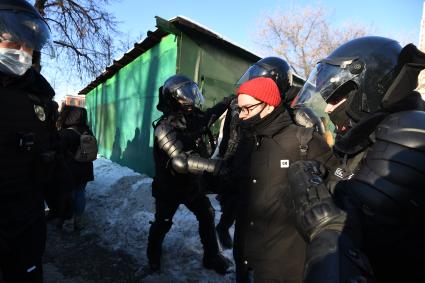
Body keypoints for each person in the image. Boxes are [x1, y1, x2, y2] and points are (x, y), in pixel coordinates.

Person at [287, 36, 425, 282]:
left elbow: (363, 230)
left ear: (370, 87)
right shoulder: (367, 135)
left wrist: (321, 214)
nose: (328, 109)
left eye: (335, 99)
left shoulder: (408, 131)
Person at [231, 76, 330, 282]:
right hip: (247, 258)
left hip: (285, 266)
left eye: (247, 109)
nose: (242, 116)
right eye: (240, 110)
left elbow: (338, 194)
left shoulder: (304, 141)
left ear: (268, 105)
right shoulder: (247, 141)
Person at [147, 74, 232, 274]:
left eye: (191, 93)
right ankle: (153, 254)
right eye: (185, 95)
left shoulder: (192, 118)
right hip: (169, 188)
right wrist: (215, 166)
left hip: (191, 186)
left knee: (207, 215)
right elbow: (181, 161)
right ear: (172, 98)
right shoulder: (164, 127)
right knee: (163, 222)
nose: (190, 99)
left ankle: (211, 256)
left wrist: (227, 102)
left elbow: (209, 116)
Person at [0, 1, 58, 282]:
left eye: (30, 45)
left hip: (27, 224)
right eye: (15, 41)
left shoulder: (40, 99)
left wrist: (62, 190)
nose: (23, 52)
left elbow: (50, 151)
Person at [56, 105, 95, 230]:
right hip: (85, 168)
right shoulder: (87, 131)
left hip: (69, 170)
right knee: (80, 193)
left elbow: (59, 152)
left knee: (69, 195)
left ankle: (68, 220)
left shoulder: (64, 132)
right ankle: (79, 220)